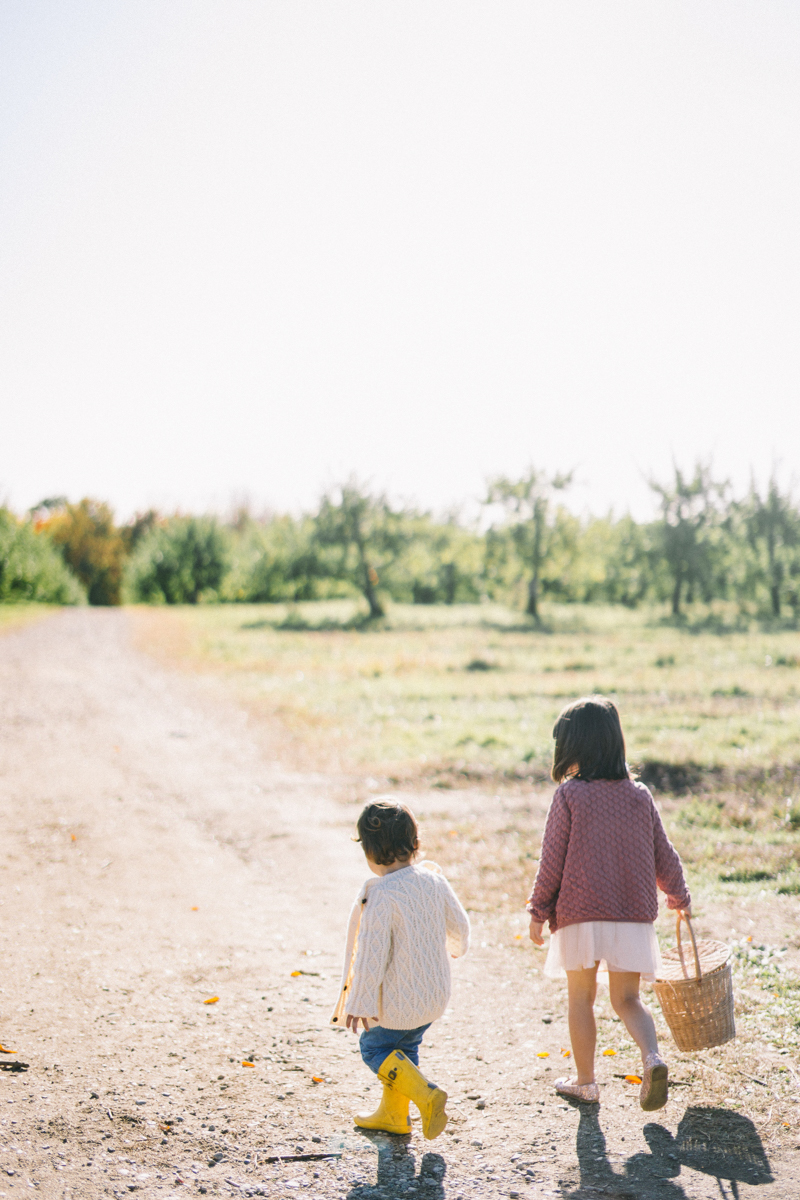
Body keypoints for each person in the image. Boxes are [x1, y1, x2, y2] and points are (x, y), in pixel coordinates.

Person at [526, 696, 691, 1111]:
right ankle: (653, 1057)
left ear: (573, 746)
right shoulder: (639, 796)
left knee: (580, 998)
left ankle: (585, 1083)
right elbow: (663, 854)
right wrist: (678, 896)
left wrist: (538, 909)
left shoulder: (570, 796)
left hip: (581, 914)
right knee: (627, 1000)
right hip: (632, 917)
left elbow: (552, 859)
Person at [331, 799, 470, 1138]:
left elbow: (370, 956)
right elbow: (461, 927)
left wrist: (360, 1001)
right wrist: (454, 947)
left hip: (397, 1003)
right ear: (415, 843)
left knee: (375, 1048)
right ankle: (394, 1116)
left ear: (370, 851)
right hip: (433, 997)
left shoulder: (383, 894)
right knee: (403, 1051)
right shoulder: (434, 880)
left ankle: (425, 1094)